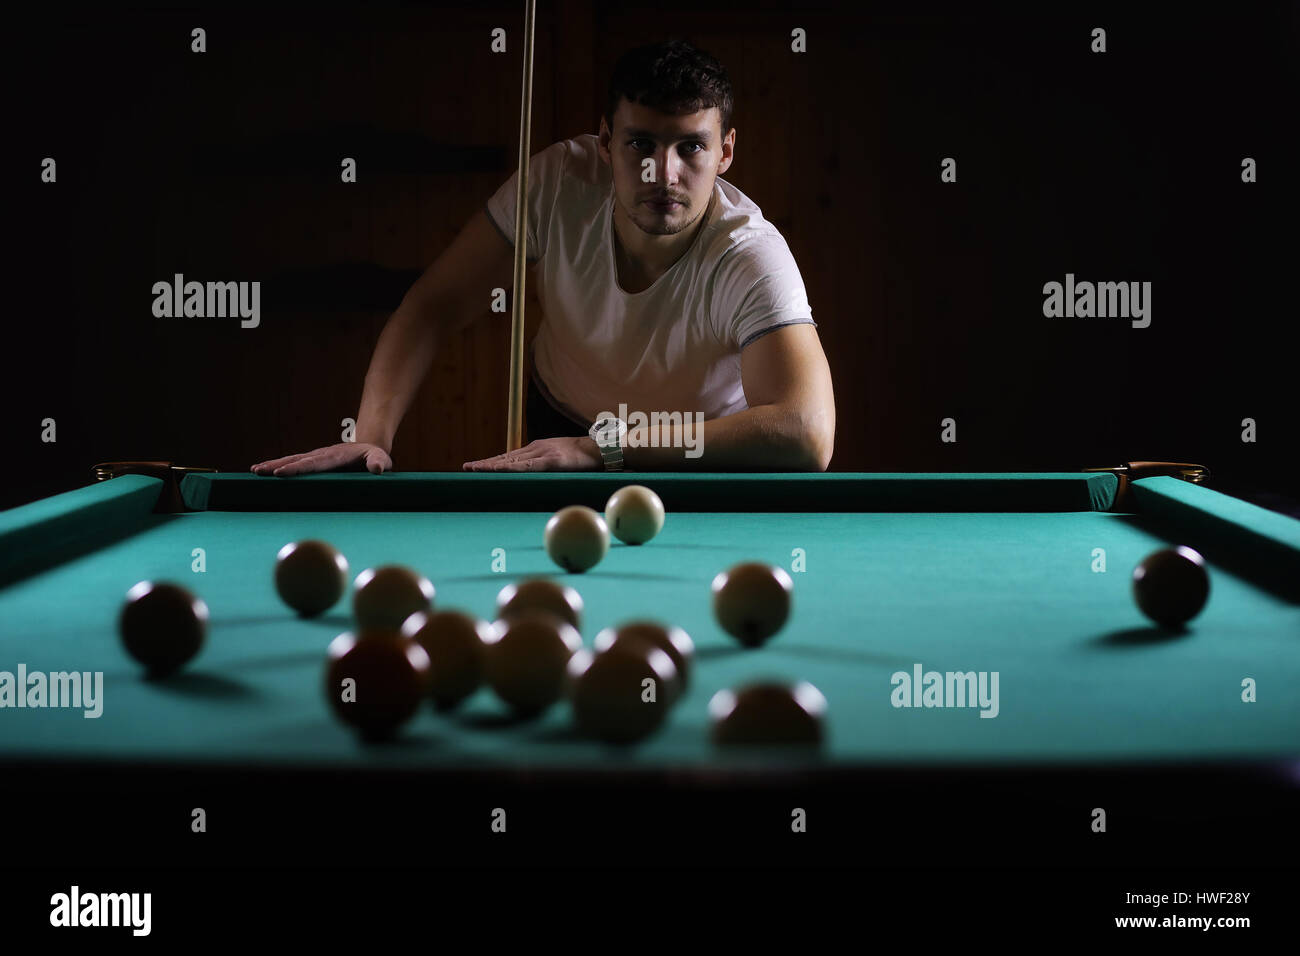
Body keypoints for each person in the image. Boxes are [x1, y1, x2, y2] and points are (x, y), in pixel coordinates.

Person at [252, 39, 835, 477]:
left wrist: (605, 448)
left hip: (700, 443)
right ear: (605, 141)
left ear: (725, 151)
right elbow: (436, 304)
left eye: (691, 146)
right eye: (641, 144)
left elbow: (806, 431)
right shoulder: (557, 183)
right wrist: (372, 435)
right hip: (564, 425)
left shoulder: (750, 255)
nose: (665, 172)